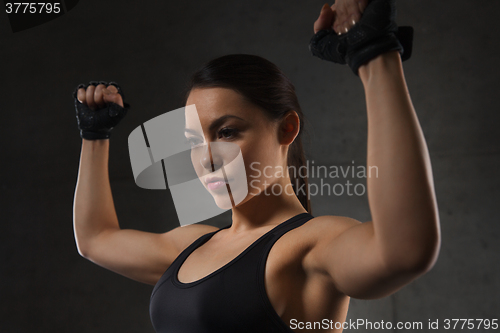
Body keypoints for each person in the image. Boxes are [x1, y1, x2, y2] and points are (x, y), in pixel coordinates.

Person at [72, 0, 441, 332]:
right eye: (192, 142)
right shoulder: (190, 246)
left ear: (287, 128)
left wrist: (376, 56)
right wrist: (95, 135)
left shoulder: (310, 246)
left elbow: (406, 249)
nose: (207, 158)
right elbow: (95, 240)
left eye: (227, 131)